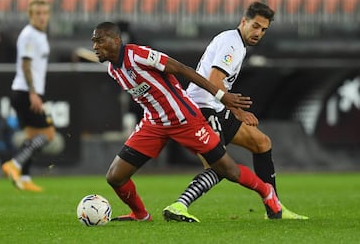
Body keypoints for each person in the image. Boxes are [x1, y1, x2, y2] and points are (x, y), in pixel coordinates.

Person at [91, 21, 283, 222]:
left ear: (116, 40)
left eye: (99, 41)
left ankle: (266, 191)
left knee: (228, 170)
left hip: (184, 119)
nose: (95, 47)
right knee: (115, 176)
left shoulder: (138, 54)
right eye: (93, 42)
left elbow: (182, 69)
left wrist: (220, 95)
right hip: (154, 124)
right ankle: (141, 215)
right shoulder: (113, 70)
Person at [163, 1, 308, 221]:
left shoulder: (236, 43)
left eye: (264, 30)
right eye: (256, 26)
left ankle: (274, 208)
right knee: (222, 165)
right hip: (202, 108)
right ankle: (178, 206)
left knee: (262, 143)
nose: (259, 33)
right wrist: (237, 110)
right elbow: (214, 80)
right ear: (244, 21)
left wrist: (229, 108)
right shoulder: (231, 44)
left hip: (215, 107)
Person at [1, 0, 54, 192]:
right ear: (30, 16)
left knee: (31, 137)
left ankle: (24, 177)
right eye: (37, 13)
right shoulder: (30, 35)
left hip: (24, 92)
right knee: (48, 134)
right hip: (26, 92)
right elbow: (25, 64)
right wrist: (33, 93)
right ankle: (14, 164)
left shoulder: (38, 35)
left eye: (44, 13)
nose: (42, 17)